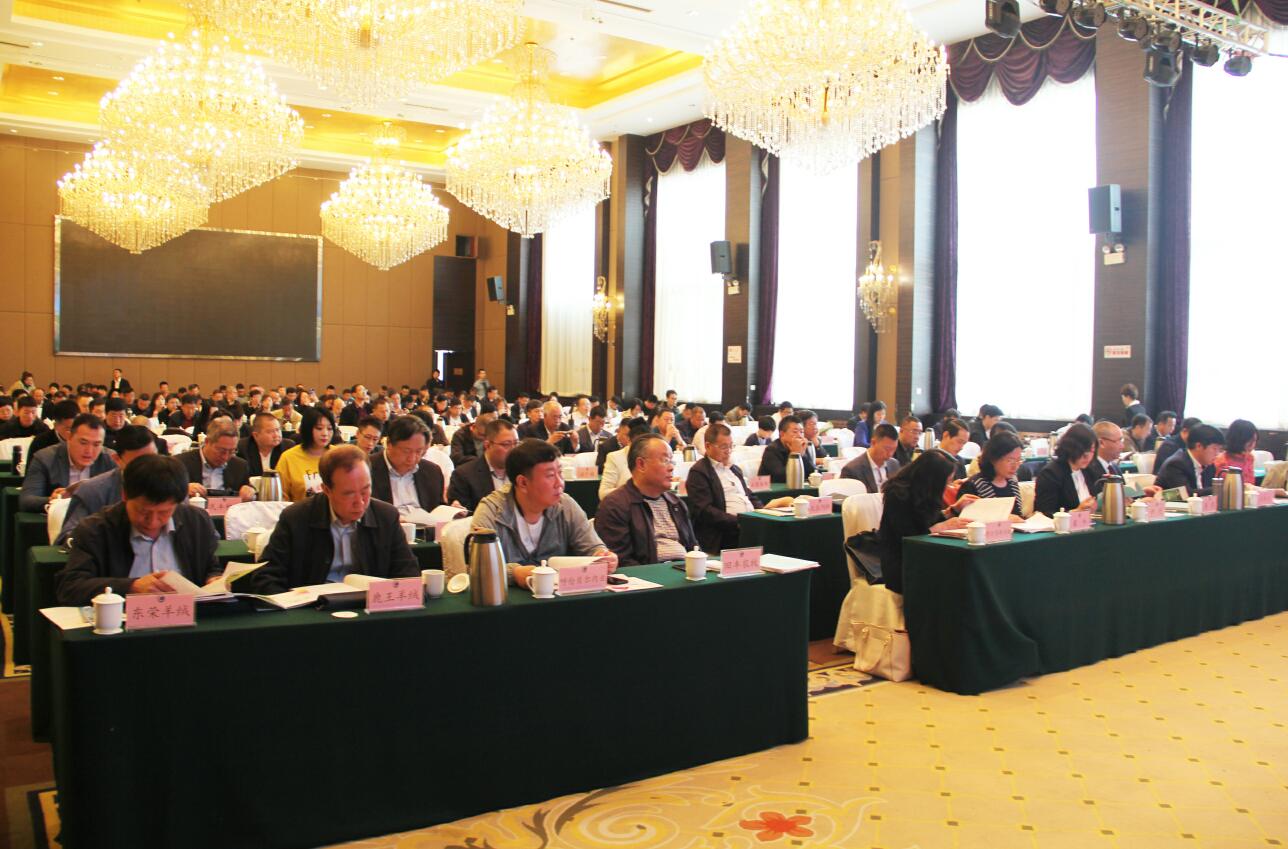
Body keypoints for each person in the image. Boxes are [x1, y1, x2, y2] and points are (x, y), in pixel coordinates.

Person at [248, 445, 420, 593]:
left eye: (365, 490)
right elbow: (265, 578)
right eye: (349, 494)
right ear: (326, 490)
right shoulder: (296, 518)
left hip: (368, 609)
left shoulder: (386, 517)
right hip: (313, 610)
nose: (360, 502)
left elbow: (408, 575)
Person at [54, 454, 221, 606]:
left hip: (185, 616)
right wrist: (130, 586)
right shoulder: (95, 530)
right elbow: (70, 588)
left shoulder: (196, 522)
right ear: (125, 495)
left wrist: (213, 579)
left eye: (163, 513)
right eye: (143, 511)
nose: (153, 522)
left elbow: (210, 567)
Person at [470, 439, 616, 588]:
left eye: (560, 473)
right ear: (523, 483)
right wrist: (514, 573)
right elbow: (479, 564)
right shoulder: (493, 510)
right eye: (550, 475)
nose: (560, 483)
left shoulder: (565, 505)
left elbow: (592, 546)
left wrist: (603, 556)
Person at [686, 423, 794, 552]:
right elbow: (705, 511)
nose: (728, 451)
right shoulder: (699, 472)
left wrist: (761, 515)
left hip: (748, 525)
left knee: (779, 535)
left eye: (731, 446)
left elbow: (749, 496)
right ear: (708, 446)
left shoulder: (734, 469)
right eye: (723, 447)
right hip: (724, 533)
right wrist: (740, 521)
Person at [878, 451, 975, 594]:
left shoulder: (926, 490)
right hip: (903, 563)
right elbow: (907, 536)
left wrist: (953, 510)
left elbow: (928, 519)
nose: (947, 486)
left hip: (927, 555)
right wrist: (940, 527)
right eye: (946, 481)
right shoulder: (898, 493)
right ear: (933, 478)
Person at [595, 434, 699, 566]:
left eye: (671, 461)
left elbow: (693, 548)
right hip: (649, 574)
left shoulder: (676, 503)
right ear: (641, 464)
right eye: (665, 460)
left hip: (685, 570)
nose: (671, 467)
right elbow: (621, 561)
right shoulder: (615, 506)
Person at [57, 425, 159, 544]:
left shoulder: (169, 484)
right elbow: (68, 537)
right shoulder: (93, 491)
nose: (149, 468)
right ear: (117, 460)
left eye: (153, 459)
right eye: (139, 464)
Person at [20, 413, 116, 512]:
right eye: (83, 443)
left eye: (96, 444)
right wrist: (53, 500)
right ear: (69, 437)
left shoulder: (111, 460)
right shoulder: (45, 458)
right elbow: (26, 500)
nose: (89, 451)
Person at [370, 415, 445, 514]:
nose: (412, 459)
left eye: (418, 451)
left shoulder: (432, 472)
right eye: (406, 451)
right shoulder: (367, 469)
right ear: (389, 444)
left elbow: (437, 509)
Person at [448, 419, 518, 511]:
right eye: (506, 444)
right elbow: (465, 515)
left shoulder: (522, 470)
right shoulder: (463, 476)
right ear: (487, 445)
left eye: (516, 443)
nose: (513, 449)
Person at [177, 419, 255, 501]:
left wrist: (250, 491)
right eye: (222, 451)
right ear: (207, 442)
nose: (225, 457)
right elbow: (169, 493)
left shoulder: (239, 466)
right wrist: (184, 490)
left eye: (231, 451)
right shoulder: (180, 463)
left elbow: (248, 491)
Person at [1033, 423, 1099, 516]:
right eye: (1083, 451)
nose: (1088, 456)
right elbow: (1044, 513)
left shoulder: (1089, 471)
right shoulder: (1051, 473)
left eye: (1092, 451)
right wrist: (1075, 512)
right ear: (1071, 448)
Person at [958, 431, 1025, 519]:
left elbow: (1018, 515)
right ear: (993, 458)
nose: (1015, 466)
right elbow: (967, 520)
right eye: (1010, 460)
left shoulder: (1012, 482)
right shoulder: (973, 485)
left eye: (1018, 460)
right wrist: (1004, 518)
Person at [275, 406, 335, 502]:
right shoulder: (289, 458)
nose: (325, 433)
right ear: (307, 429)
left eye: (329, 428)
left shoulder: (339, 455)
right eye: (319, 428)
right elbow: (280, 498)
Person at [1155, 424, 1224, 496]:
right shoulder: (1176, 464)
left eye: (1220, 450)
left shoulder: (1209, 465)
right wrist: (1217, 489)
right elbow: (1185, 495)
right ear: (1199, 446)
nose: (1217, 454)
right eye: (1214, 449)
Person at [840, 422, 901, 493]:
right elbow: (849, 499)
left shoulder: (894, 464)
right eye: (886, 449)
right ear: (873, 443)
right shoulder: (852, 470)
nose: (890, 454)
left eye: (893, 449)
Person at [599, 419, 652, 500]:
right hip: (623, 504)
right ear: (629, 441)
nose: (641, 449)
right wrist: (632, 489)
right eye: (638, 444)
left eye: (646, 445)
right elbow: (603, 494)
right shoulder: (615, 457)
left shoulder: (653, 458)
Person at [758, 414, 819, 483]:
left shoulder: (801, 446)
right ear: (782, 434)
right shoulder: (771, 450)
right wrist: (795, 455)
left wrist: (803, 455)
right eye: (795, 432)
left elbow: (812, 472)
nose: (800, 436)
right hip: (773, 488)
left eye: (801, 432)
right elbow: (781, 477)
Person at [238, 412, 294, 476]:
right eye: (270, 431)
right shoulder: (244, 448)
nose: (276, 435)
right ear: (256, 435)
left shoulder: (288, 447)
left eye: (278, 430)